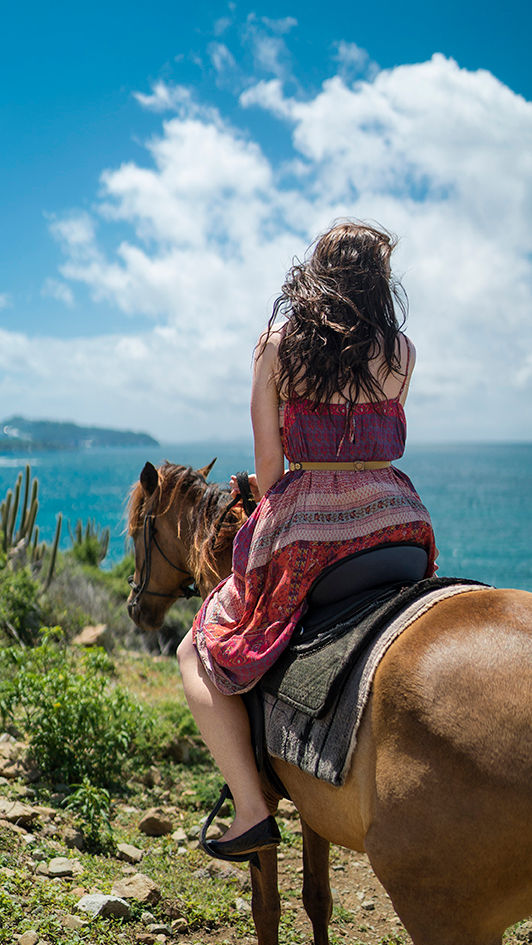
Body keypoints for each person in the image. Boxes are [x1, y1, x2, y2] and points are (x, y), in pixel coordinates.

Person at [176, 220, 436, 860]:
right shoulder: (401, 351)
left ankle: (250, 806)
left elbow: (269, 473)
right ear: (381, 283)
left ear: (315, 276)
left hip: (312, 531)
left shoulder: (278, 345)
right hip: (401, 524)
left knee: (199, 646)